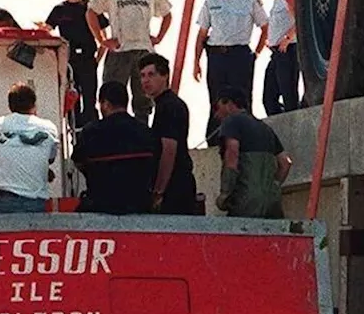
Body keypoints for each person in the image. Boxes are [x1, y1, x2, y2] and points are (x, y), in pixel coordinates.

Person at [87, 0, 173, 123]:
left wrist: (158, 37)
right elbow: (91, 12)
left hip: (143, 51)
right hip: (120, 51)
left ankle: (141, 135)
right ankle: (113, 135)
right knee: (113, 95)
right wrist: (102, 40)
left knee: (143, 99)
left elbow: (167, 14)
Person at [193, 0, 269, 141]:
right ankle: (215, 140)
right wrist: (196, 62)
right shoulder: (211, 0)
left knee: (242, 99)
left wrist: (256, 54)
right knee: (216, 99)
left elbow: (265, 27)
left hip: (240, 55)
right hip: (217, 56)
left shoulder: (249, 0)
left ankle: (246, 138)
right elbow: (202, 34)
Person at [71, 81, 158, 215]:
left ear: (105, 104)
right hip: (139, 206)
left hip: (100, 206)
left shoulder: (91, 131)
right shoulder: (144, 131)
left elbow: (78, 161)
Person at [211, 87, 291, 219]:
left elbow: (232, 154)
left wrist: (225, 194)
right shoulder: (266, 129)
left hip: (245, 204)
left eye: (217, 107)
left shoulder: (231, 121)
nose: (216, 115)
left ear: (229, 103)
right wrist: (273, 187)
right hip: (272, 205)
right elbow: (285, 163)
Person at [44, 0, 107, 129]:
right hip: (69, 62)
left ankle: (94, 134)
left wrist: (97, 59)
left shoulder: (89, 6)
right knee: (72, 101)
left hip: (87, 59)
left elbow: (103, 35)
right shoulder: (59, 9)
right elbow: (47, 29)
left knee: (90, 101)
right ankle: (76, 136)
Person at [138, 53, 198, 215]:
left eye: (151, 75)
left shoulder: (168, 106)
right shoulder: (165, 105)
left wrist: (158, 192)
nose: (145, 80)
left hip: (175, 186)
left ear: (164, 76)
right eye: (142, 76)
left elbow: (169, 150)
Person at [0, 82, 59, 214]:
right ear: (34, 104)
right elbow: (50, 159)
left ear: (10, 106)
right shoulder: (49, 127)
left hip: (4, 200)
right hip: (35, 200)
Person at [257, 0, 299, 115]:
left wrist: (287, 38)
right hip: (276, 53)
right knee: (268, 98)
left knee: (289, 96)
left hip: (287, 51)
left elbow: (300, 21)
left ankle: (293, 126)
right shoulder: (276, 0)